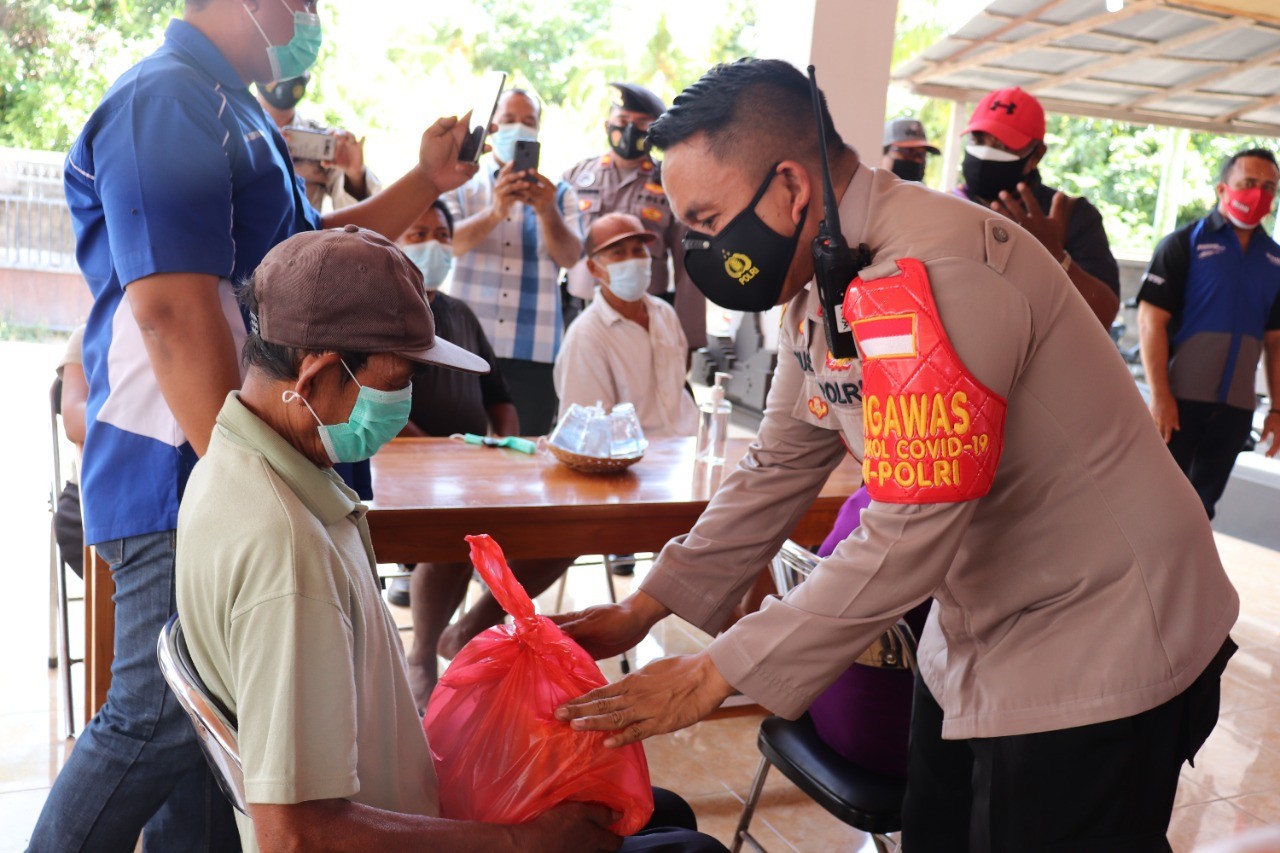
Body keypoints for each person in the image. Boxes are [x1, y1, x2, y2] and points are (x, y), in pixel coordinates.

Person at [553, 58, 1239, 852]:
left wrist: (714, 671)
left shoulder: (935, 267)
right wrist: (648, 605)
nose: (698, 247)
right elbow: (779, 463)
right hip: (983, 621)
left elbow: (913, 522)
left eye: (706, 219)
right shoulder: (823, 280)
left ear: (791, 188)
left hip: (1099, 632)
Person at [36, 0, 479, 845]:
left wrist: (424, 181)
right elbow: (169, 305)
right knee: (153, 722)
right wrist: (241, 486)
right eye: (305, 1)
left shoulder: (229, 103)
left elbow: (312, 259)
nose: (312, 15)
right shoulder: (166, 101)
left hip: (223, 459)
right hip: (183, 462)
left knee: (215, 741)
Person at [176, 225, 727, 853]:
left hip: (395, 798)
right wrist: (522, 842)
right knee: (690, 847)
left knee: (658, 807)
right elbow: (295, 836)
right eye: (400, 374)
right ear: (320, 373)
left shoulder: (235, 465)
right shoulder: (286, 550)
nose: (408, 396)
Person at [1137, 147, 1280, 518]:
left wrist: (1277, 409)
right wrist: (1160, 395)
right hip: (1178, 403)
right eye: (1249, 183)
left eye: (1269, 186)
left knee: (1201, 510)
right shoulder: (1184, 244)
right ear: (1222, 189)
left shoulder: (1275, 261)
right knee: (1153, 502)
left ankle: (1183, 577)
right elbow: (1151, 322)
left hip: (1235, 411)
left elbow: (1276, 343)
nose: (1259, 193)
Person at [446, 88, 583, 436]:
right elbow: (448, 245)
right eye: (509, 120)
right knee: (461, 452)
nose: (518, 129)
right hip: (467, 346)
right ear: (493, 127)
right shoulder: (462, 187)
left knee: (525, 456)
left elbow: (571, 257)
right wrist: (495, 213)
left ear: (538, 132)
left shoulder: (561, 194)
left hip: (533, 349)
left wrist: (546, 210)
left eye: (528, 122)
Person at [955, 86, 1121, 327]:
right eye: (978, 140)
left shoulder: (1070, 215)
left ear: (1036, 156)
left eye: (1002, 146)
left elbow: (1104, 314)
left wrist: (1055, 255)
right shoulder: (945, 205)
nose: (985, 154)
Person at [563, 83, 707, 352]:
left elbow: (689, 266)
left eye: (642, 123)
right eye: (622, 121)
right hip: (579, 311)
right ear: (608, 125)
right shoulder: (576, 177)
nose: (630, 130)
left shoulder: (672, 181)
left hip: (643, 315)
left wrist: (687, 339)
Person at [554, 213, 698, 437]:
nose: (632, 260)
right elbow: (589, 431)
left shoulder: (665, 314)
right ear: (593, 269)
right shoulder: (587, 336)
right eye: (618, 253)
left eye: (638, 250)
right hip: (634, 462)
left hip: (684, 447)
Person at [257, 73, 383, 211]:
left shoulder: (327, 143)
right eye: (282, 58)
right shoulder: (234, 131)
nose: (293, 70)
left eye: (301, 64)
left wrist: (355, 177)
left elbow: (358, 221)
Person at [880, 117, 939, 183]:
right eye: (908, 151)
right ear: (883, 153)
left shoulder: (923, 192)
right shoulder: (868, 190)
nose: (917, 160)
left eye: (921, 154)